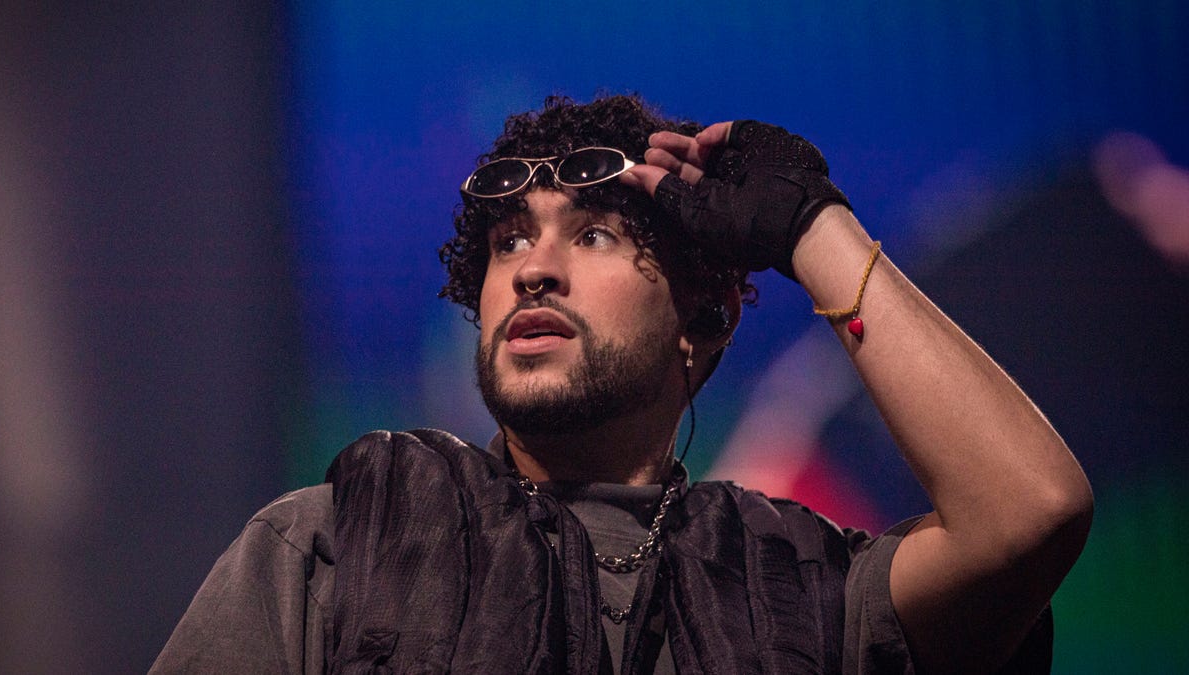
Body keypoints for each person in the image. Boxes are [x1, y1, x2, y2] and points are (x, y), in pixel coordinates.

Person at [152, 95, 1093, 674]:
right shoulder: (329, 545)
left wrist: (813, 229)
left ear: (704, 317)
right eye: (509, 238)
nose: (533, 268)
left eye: (593, 233)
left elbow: (1031, 514)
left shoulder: (815, 588)